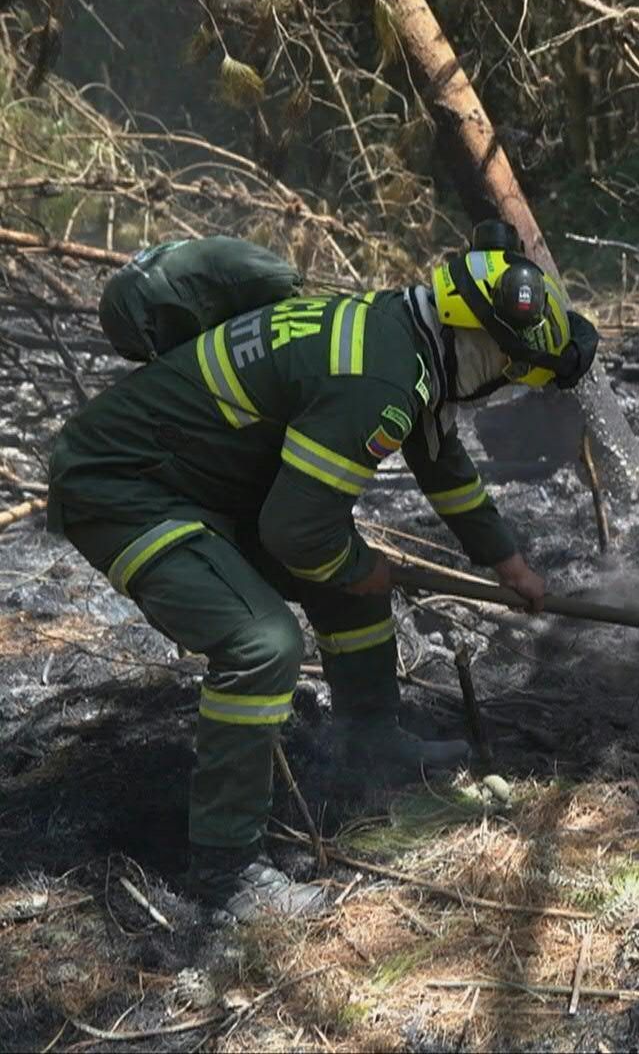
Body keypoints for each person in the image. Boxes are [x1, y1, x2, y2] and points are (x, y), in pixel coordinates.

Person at [48, 224, 599, 922]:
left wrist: (508, 563)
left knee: (351, 577)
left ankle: (374, 743)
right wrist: (359, 566)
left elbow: (443, 464)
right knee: (261, 643)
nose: (505, 385)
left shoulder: (404, 336)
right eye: (512, 368)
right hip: (124, 489)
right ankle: (226, 875)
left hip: (204, 480)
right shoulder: (378, 379)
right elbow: (295, 531)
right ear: (478, 341)